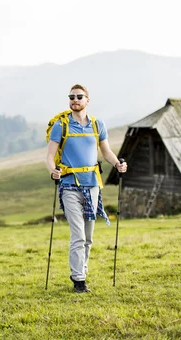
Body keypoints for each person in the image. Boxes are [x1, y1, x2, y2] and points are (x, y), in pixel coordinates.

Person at [46, 84, 127, 293]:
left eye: (79, 96)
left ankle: (82, 271)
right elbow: (49, 156)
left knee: (88, 237)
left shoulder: (97, 125)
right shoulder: (61, 126)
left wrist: (118, 164)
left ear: (87, 100)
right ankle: (79, 280)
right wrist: (53, 171)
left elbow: (106, 151)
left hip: (93, 186)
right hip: (69, 186)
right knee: (78, 234)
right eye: (71, 97)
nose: (75, 100)